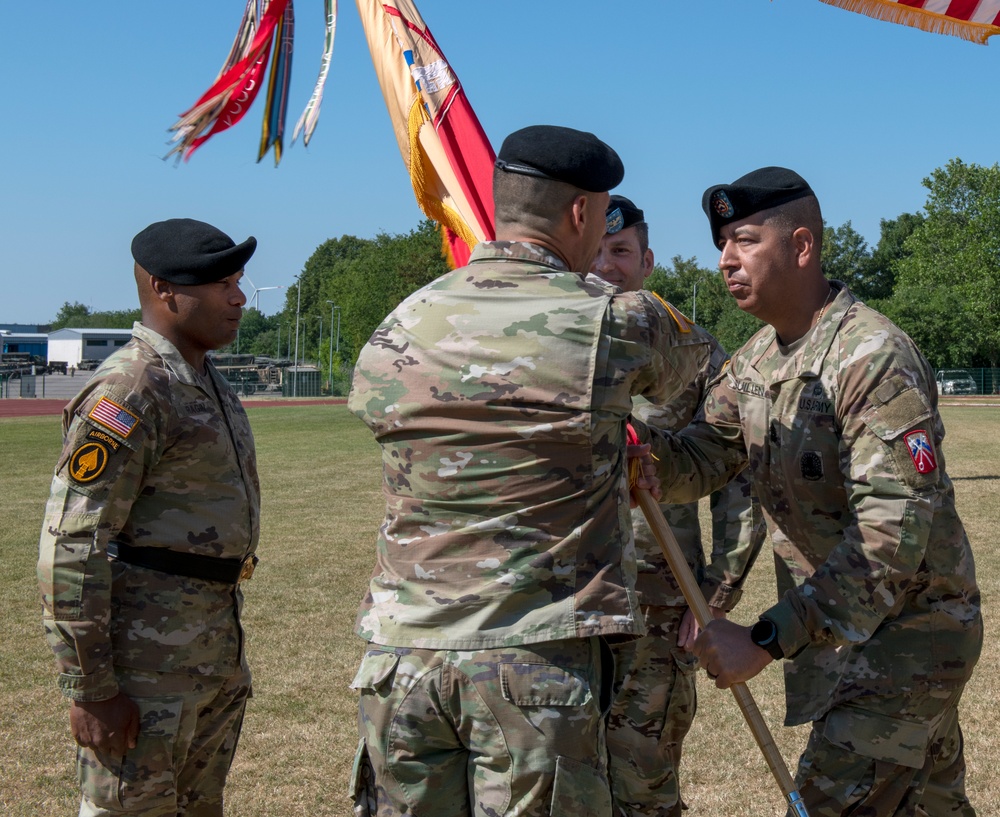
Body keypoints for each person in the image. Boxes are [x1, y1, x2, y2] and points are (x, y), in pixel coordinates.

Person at [347, 125, 712, 817]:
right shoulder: (612, 320)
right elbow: (695, 364)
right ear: (581, 214)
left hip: (401, 664)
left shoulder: (399, 323)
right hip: (531, 666)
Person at [641, 167, 982, 817]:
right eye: (721, 245)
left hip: (908, 640)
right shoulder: (758, 363)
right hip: (854, 641)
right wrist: (636, 448)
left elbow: (890, 539)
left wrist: (766, 637)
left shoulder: (872, 356)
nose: (725, 260)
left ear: (801, 246)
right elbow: (700, 456)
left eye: (743, 240)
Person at [38, 218, 262, 817]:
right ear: (164, 290)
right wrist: (92, 689)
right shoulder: (130, 391)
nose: (239, 297)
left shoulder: (204, 378)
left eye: (238, 281)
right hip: (144, 673)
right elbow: (71, 544)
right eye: (223, 285)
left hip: (207, 657)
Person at [591, 195, 766, 817]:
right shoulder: (545, 352)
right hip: (561, 596)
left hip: (659, 599)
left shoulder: (691, 353)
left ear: (647, 261)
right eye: (597, 250)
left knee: (644, 772)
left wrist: (718, 591)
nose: (607, 266)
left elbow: (738, 476)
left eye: (621, 252)